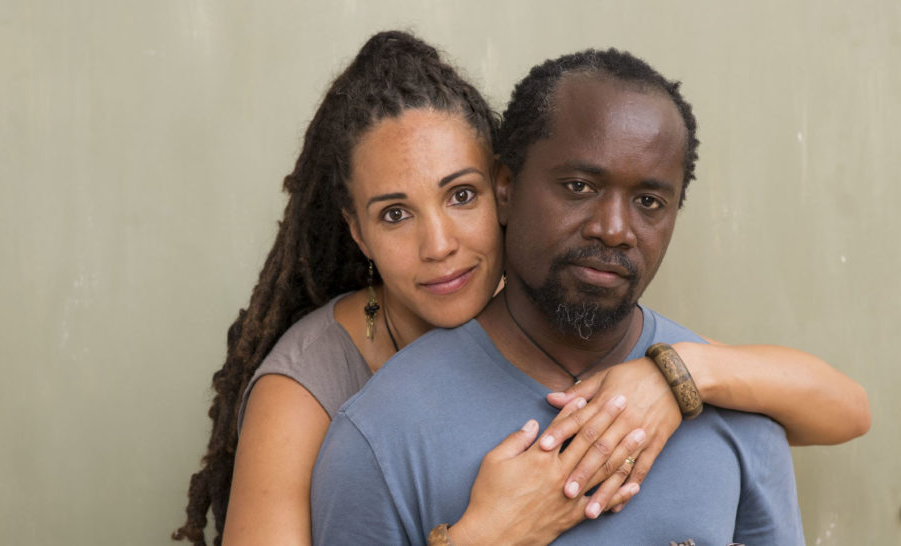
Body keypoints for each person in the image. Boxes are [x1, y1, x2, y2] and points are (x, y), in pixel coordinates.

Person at [173, 34, 870, 545]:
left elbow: (845, 409)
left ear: (500, 193)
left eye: (461, 195)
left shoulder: (569, 292)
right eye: (395, 213)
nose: (440, 243)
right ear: (356, 233)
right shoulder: (326, 404)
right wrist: (486, 535)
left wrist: (675, 377)